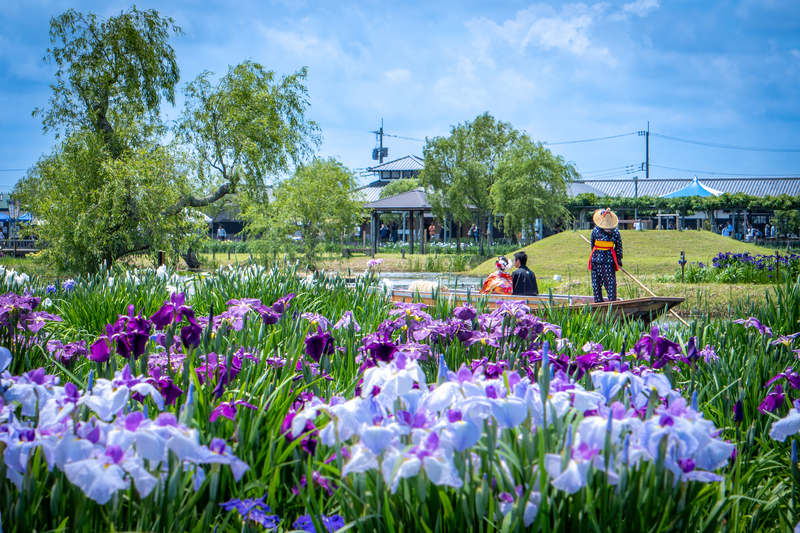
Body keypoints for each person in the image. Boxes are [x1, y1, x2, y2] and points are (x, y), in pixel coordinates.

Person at [589, 208, 623, 303]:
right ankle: (602, 302)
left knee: (607, 283)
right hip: (599, 260)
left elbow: (618, 247)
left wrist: (619, 259)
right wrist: (619, 258)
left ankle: (609, 302)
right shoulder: (597, 231)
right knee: (600, 283)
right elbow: (619, 247)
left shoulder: (597, 231)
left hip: (604, 260)